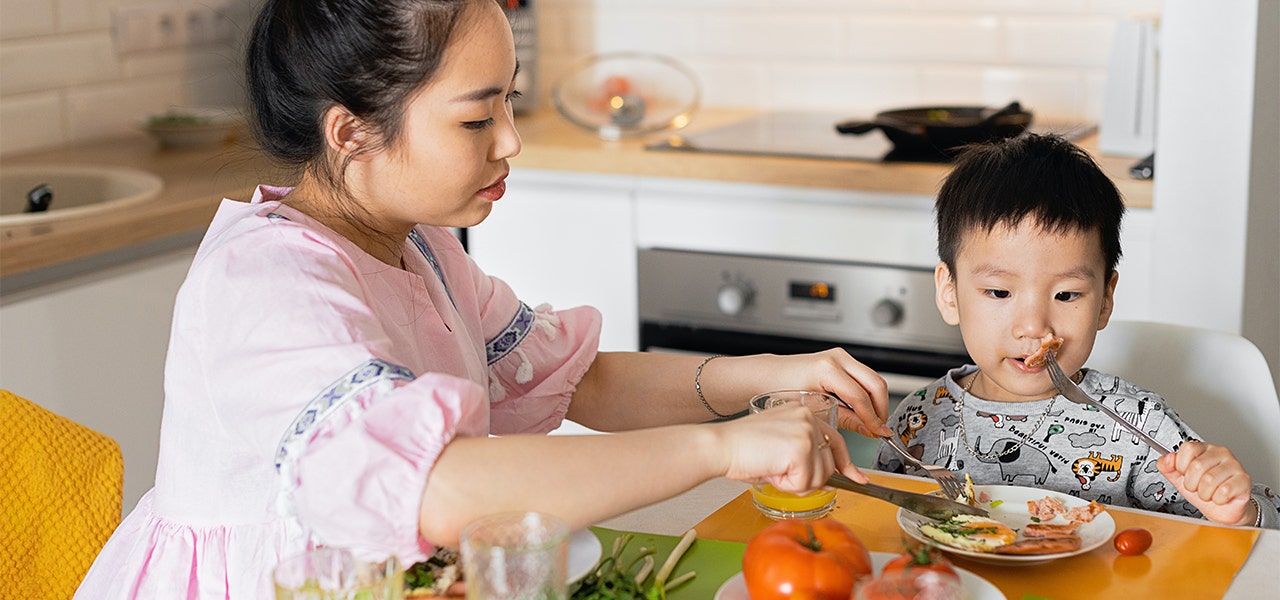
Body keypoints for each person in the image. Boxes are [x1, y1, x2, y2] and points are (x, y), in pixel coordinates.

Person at [75, 1, 894, 597]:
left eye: (509, 98)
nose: (511, 139)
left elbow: (584, 382)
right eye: (477, 118)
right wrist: (723, 448)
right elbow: (442, 488)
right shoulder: (266, 287)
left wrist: (776, 376)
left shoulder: (419, 241)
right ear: (351, 131)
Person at [873, 133, 1278, 529]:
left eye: (1067, 295)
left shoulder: (1139, 425)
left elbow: (1260, 524)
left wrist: (1240, 513)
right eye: (999, 291)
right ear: (949, 293)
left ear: (1104, 300)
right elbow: (881, 523)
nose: (1034, 327)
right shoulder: (918, 419)